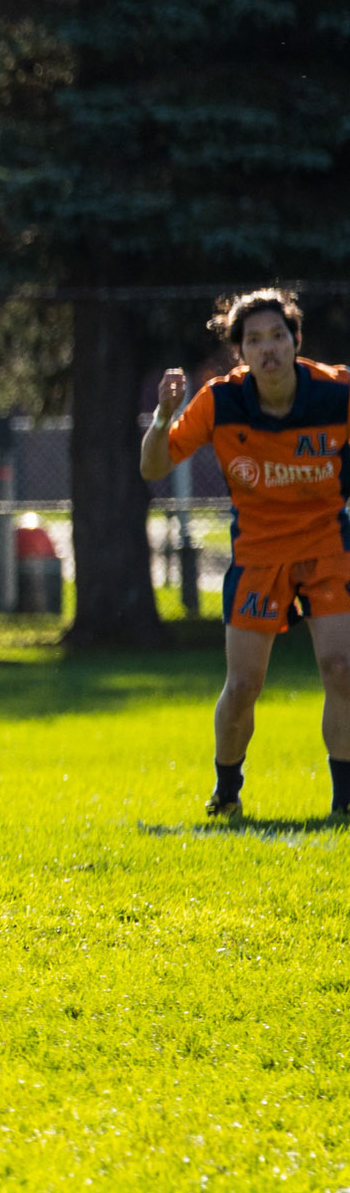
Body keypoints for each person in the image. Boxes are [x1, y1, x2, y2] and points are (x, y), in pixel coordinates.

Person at [140, 288, 350, 818]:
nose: (268, 348)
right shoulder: (219, 400)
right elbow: (153, 467)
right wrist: (164, 414)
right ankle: (227, 791)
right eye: (253, 340)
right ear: (241, 352)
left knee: (342, 668)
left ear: (296, 339)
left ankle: (344, 804)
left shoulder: (338, 392)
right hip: (257, 554)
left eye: (277, 335)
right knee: (242, 686)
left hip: (328, 546)